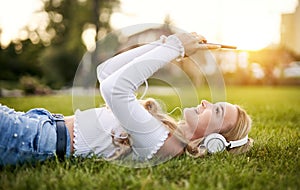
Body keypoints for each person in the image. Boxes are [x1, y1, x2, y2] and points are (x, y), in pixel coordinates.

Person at [0, 33, 253, 166]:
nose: (207, 103)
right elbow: (106, 73)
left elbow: (114, 88)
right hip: (34, 125)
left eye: (217, 111)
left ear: (215, 141)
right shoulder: (165, 133)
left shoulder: (164, 143)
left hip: (31, 139)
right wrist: (160, 46)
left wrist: (176, 48)